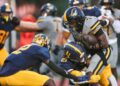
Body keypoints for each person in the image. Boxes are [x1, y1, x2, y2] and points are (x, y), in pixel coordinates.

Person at [0, 33, 98, 85]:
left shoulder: (28, 49)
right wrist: (75, 77)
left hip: (5, 75)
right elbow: (55, 68)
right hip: (14, 74)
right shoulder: (40, 50)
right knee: (49, 82)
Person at [62, 6, 118, 86]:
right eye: (69, 23)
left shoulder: (90, 23)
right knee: (79, 75)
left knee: (89, 76)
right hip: (90, 53)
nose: (71, 26)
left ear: (79, 20)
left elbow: (104, 44)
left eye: (72, 23)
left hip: (103, 51)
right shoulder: (75, 29)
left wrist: (91, 47)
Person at [99, 0, 120, 80]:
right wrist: (100, 17)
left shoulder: (117, 12)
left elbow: (118, 30)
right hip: (100, 42)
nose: (106, 6)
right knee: (100, 67)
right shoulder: (97, 11)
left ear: (111, 4)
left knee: (113, 67)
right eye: (104, 4)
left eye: (108, 4)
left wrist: (112, 19)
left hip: (113, 41)